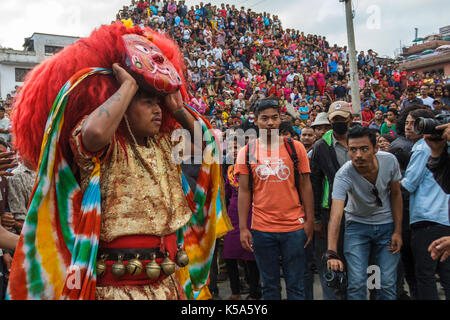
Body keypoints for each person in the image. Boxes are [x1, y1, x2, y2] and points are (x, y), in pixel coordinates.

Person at [8, 23, 230, 300]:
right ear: (121, 103)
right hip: (113, 288)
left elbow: (211, 148)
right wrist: (128, 85)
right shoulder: (104, 147)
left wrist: (178, 108)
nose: (157, 109)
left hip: (169, 283)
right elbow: (95, 132)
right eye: (147, 101)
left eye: (159, 103)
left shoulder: (164, 142)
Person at [236, 98, 314, 300]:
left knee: (296, 286)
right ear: (256, 121)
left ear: (280, 119)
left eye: (274, 118)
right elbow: (244, 191)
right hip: (262, 229)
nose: (270, 123)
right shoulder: (247, 152)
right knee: (270, 287)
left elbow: (306, 186)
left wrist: (309, 221)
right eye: (264, 118)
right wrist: (244, 228)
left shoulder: (295, 148)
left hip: (294, 227)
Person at [326, 126, 403, 300]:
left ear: (376, 148)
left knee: (387, 283)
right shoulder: (343, 174)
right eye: (353, 149)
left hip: (386, 225)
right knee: (357, 283)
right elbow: (336, 215)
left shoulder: (389, 161)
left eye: (364, 149)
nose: (358, 155)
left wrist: (398, 231)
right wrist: (331, 252)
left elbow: (396, 195)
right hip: (357, 227)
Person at [401, 109, 450, 300]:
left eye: (414, 123)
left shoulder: (422, 147)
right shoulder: (434, 148)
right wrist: (437, 153)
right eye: (407, 122)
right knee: (446, 276)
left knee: (425, 275)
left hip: (428, 218)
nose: (410, 127)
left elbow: (409, 184)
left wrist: (387, 184)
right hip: (444, 219)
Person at [310, 101, 353, 300]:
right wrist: (316, 218)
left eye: (342, 119)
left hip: (359, 212)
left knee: (358, 263)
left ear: (350, 119)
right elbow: (315, 184)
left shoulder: (360, 139)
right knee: (331, 260)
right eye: (335, 119)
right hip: (330, 212)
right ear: (330, 120)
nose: (339, 122)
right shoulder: (321, 146)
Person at [222, 137, 260, 300]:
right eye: (232, 148)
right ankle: (235, 292)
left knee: (251, 257)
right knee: (229, 255)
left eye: (238, 147)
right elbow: (226, 195)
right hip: (232, 216)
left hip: (252, 214)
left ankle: (253, 293)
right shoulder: (229, 170)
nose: (235, 151)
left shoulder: (254, 168)